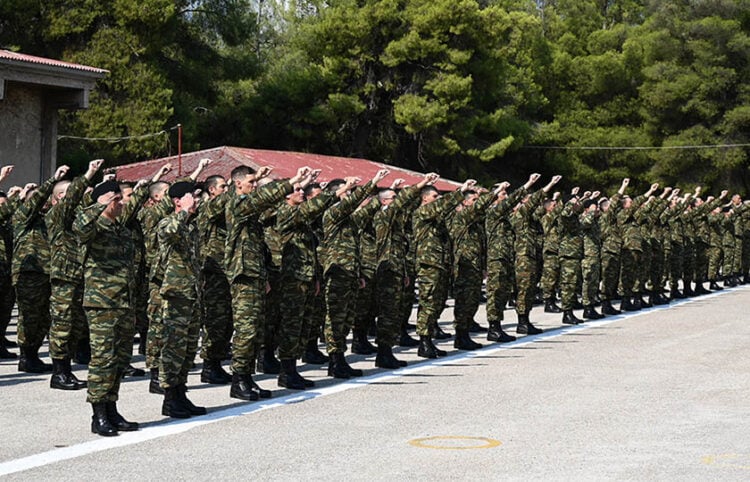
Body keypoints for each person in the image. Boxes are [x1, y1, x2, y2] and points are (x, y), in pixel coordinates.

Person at [225, 165, 310, 400]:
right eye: (250, 182)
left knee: (255, 331)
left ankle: (247, 378)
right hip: (243, 277)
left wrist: (263, 277)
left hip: (255, 276)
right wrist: (292, 179)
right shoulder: (237, 204)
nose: (253, 185)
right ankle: (238, 380)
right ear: (238, 184)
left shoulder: (250, 212)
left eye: (255, 182)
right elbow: (262, 199)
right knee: (246, 330)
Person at [74, 179, 145, 436]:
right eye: (117, 200)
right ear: (106, 202)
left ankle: (112, 408)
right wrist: (98, 204)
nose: (122, 204)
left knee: (119, 359)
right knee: (103, 359)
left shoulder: (122, 231)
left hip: (124, 303)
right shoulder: (94, 228)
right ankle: (98, 414)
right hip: (102, 304)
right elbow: (80, 226)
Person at [322, 169, 389, 377]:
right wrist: (373, 181)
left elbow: (368, 210)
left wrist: (358, 273)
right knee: (335, 318)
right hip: (337, 273)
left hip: (350, 273)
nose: (351, 197)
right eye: (348, 193)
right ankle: (334, 360)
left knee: (346, 318)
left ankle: (340, 358)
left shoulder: (349, 219)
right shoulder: (331, 214)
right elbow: (353, 205)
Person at [46, 159, 103, 390]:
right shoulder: (56, 215)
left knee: (76, 325)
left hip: (79, 276)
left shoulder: (75, 217)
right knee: (62, 324)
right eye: (68, 194)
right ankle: (59, 373)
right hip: (64, 278)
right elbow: (73, 199)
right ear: (58, 197)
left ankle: (67, 369)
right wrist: (89, 173)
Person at [374, 173, 438, 367]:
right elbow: (403, 202)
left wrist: (404, 272)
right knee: (387, 312)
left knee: (394, 311)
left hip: (396, 270)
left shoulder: (394, 219)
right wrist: (421, 185)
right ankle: (383, 353)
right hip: (386, 270)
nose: (396, 201)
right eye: (392, 198)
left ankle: (387, 352)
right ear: (384, 201)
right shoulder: (383, 215)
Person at [157, 181, 207, 418]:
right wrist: (184, 211)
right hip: (176, 295)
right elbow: (168, 233)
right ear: (177, 200)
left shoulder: (191, 228)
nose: (196, 200)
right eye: (191, 197)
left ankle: (181, 393)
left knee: (187, 349)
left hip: (192, 295)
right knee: (173, 348)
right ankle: (169, 399)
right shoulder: (169, 222)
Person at [14, 164, 70, 373]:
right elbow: (36, 200)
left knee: (45, 317)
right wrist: (53, 181)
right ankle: (26, 356)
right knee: (29, 316)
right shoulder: (22, 218)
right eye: (38, 199)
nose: (42, 202)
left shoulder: (47, 220)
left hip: (48, 273)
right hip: (29, 273)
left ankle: (33, 354)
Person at [413, 178, 476, 359]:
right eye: (434, 195)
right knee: (428, 302)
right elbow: (442, 206)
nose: (438, 198)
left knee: (437, 302)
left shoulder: (436, 218)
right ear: (425, 198)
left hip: (440, 265)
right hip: (429, 265)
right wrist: (461, 191)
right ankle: (423, 342)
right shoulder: (422, 212)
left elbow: (447, 211)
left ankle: (429, 340)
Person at [511, 175, 562, 334]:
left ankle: (525, 319)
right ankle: (522, 322)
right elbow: (534, 203)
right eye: (528, 200)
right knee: (524, 290)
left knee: (530, 290)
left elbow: (542, 208)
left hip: (532, 256)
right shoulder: (520, 215)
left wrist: (553, 199)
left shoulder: (531, 218)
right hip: (523, 257)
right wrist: (550, 184)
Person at [196, 173, 234, 384]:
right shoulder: (207, 208)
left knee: (226, 321)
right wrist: (236, 190)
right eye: (223, 186)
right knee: (215, 321)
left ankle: (217, 362)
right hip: (212, 272)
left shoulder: (225, 210)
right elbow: (217, 206)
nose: (226, 189)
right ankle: (209, 366)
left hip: (226, 270)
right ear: (212, 190)